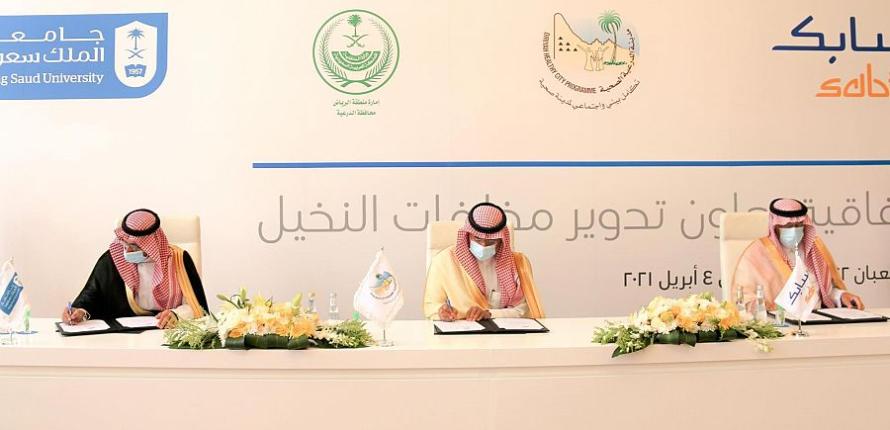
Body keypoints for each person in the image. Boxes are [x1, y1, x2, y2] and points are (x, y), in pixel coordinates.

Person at [62, 209, 208, 328]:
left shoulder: (179, 260)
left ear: (152, 244)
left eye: (134, 247)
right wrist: (79, 311)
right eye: (125, 244)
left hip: (167, 331)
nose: (127, 251)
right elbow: (91, 296)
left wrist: (177, 315)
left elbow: (196, 306)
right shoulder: (113, 258)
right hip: (123, 338)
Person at [730, 198, 864, 312]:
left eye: (798, 225)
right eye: (788, 226)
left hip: (820, 321)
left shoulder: (815, 248)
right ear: (775, 226)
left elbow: (823, 291)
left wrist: (841, 296)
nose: (794, 230)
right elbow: (743, 300)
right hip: (782, 324)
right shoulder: (757, 253)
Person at [423, 202, 544, 320]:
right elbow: (431, 306)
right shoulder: (444, 261)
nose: (484, 245)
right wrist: (441, 312)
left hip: (505, 332)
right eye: (477, 238)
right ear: (467, 235)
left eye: (491, 241)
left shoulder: (518, 264)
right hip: (461, 330)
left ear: (501, 239)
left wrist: (489, 314)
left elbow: (524, 310)